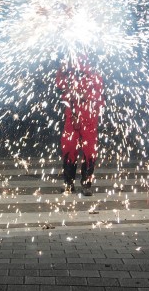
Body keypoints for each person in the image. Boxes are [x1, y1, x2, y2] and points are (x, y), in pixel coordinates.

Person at [56, 55, 104, 196]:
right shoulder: (69, 71)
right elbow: (59, 84)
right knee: (69, 149)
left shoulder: (94, 74)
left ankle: (86, 183)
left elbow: (97, 94)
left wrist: (81, 94)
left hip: (89, 119)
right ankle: (69, 183)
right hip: (71, 117)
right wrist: (62, 69)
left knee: (89, 151)